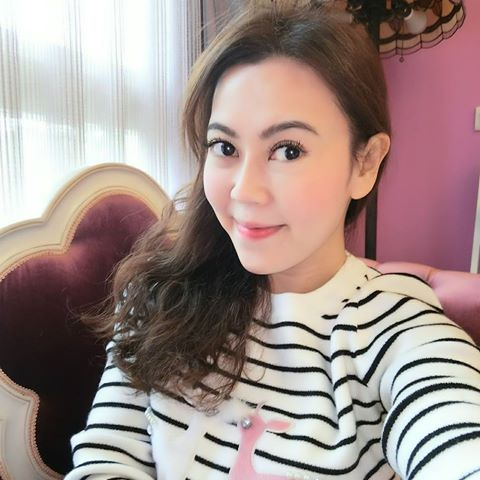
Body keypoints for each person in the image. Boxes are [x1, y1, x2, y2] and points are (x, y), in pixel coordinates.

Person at [65, 1, 480, 479]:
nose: (244, 191)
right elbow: (106, 459)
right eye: (225, 147)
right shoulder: (159, 297)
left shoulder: (398, 331)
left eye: (288, 150)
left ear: (365, 163)